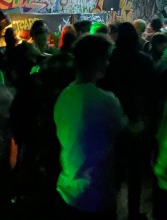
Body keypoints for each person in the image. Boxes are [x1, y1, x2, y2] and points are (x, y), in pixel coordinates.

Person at [54, 34, 127, 219]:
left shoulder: (64, 96)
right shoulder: (106, 100)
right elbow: (122, 133)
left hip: (67, 191)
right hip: (96, 195)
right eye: (106, 58)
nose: (108, 63)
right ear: (96, 61)